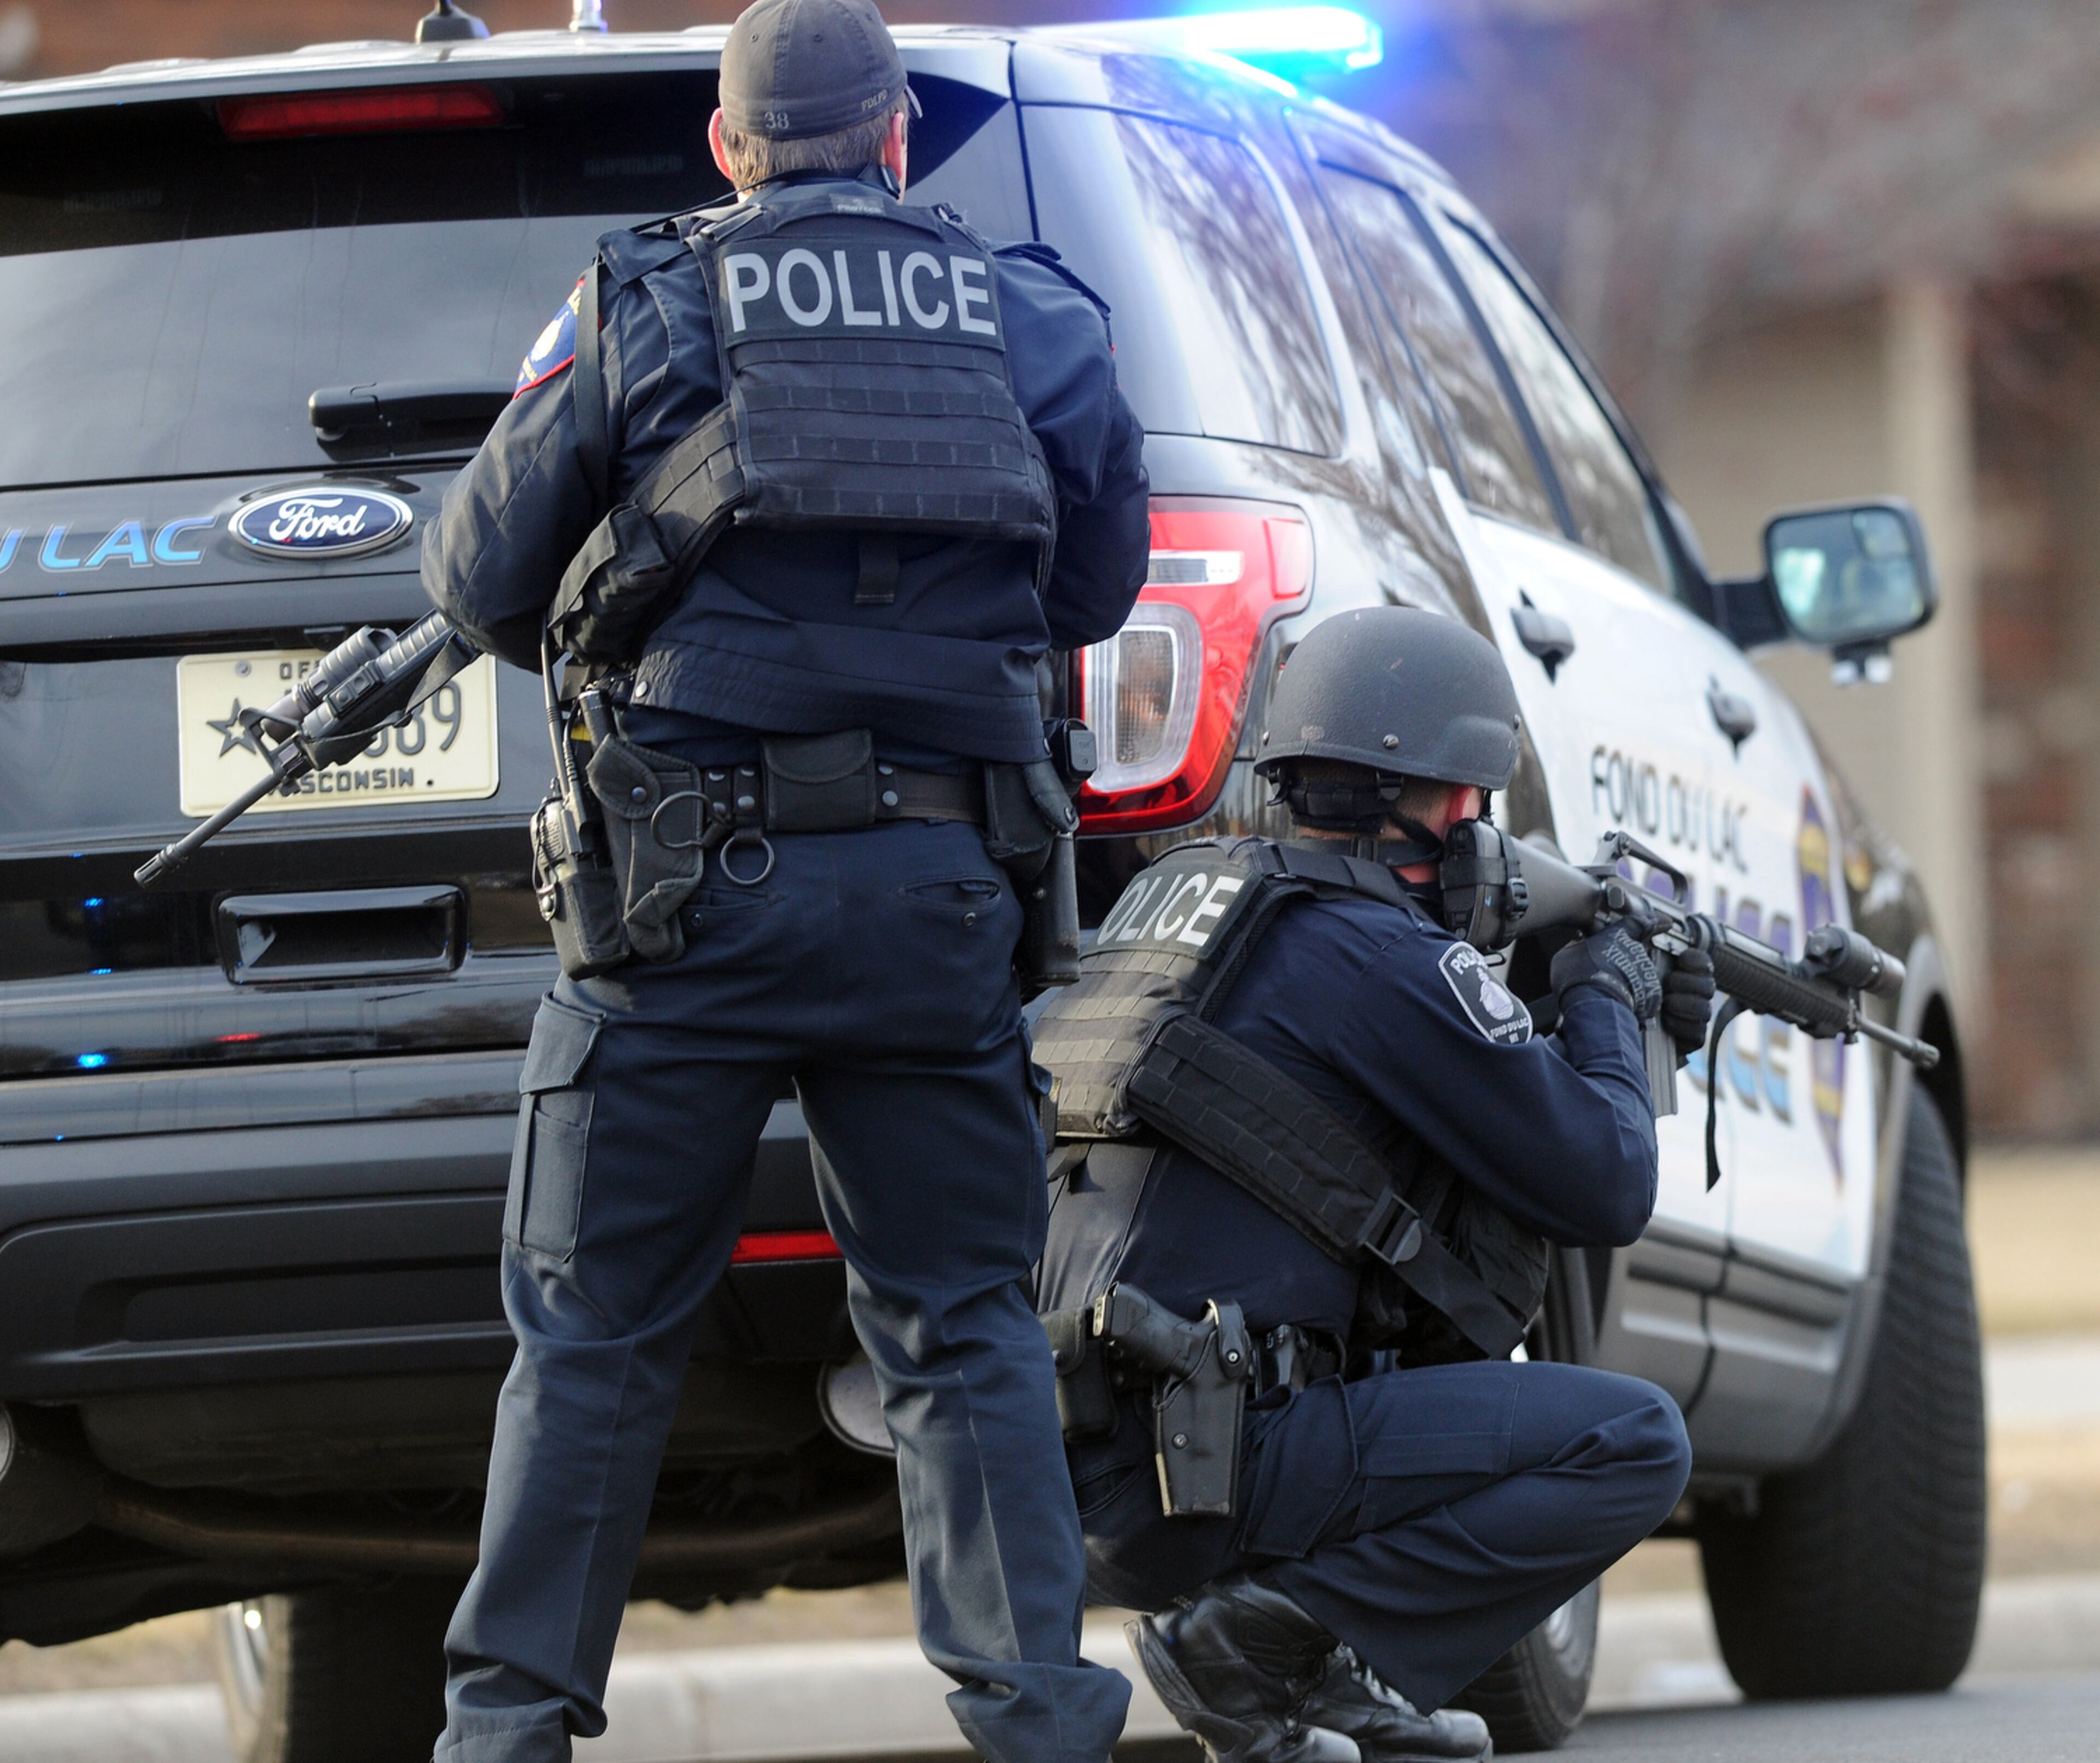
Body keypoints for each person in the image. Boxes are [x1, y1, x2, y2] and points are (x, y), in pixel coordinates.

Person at [422, 3, 1148, 1760]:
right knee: (965, 1325)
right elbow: (1098, 586)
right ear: (897, 135)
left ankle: (504, 1739)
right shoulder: (1034, 315)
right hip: (933, 897)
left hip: (682, 912)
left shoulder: (646, 296)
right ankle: (1037, 1717)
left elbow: (476, 573)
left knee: (593, 1337)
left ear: (728, 145)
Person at [1031, 607, 1707, 1763]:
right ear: (1451, 804)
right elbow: (1605, 1185)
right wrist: (1607, 989)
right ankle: (1257, 1640)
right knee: (1634, 1440)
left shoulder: (1175, 911)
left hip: (1059, 1456)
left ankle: (1315, 1674)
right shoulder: (1383, 956)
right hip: (1204, 1468)